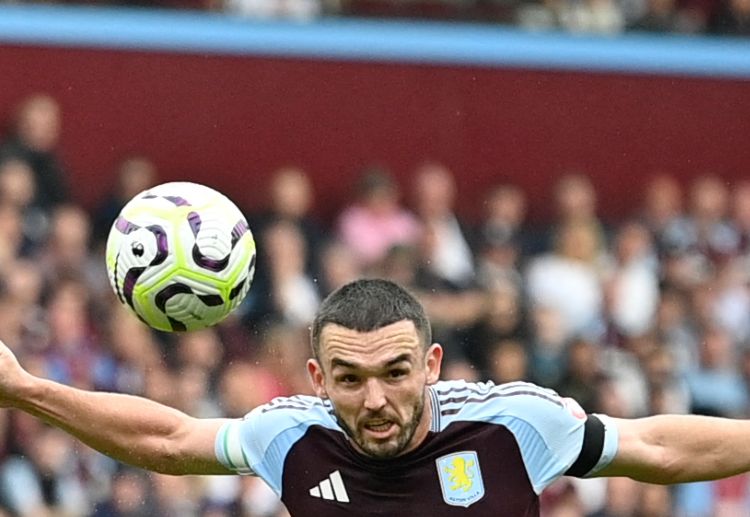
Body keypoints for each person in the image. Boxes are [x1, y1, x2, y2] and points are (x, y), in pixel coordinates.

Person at [2, 278, 750, 516]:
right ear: (318, 378)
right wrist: (25, 389)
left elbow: (653, 445)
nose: (377, 398)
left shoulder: (513, 423)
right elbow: (166, 440)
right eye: (350, 379)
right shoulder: (290, 435)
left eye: (396, 372)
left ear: (431, 363)